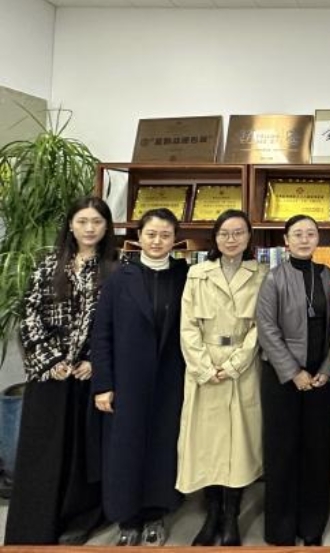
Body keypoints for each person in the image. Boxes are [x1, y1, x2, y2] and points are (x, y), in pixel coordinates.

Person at [4, 196, 119, 545]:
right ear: (70, 224)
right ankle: (36, 524)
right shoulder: (47, 265)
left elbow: (118, 325)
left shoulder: (115, 269)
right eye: (82, 221)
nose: (89, 228)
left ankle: (79, 520)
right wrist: (52, 361)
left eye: (96, 222)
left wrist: (95, 362)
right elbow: (30, 318)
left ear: (106, 227)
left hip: (89, 375)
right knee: (43, 451)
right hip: (50, 375)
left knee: (83, 453)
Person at [90, 208, 189, 546]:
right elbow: (101, 334)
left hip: (170, 380)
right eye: (151, 234)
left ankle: (156, 514)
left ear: (175, 239)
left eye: (165, 235)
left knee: (163, 446)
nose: (157, 241)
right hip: (127, 381)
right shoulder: (120, 278)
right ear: (139, 237)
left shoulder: (185, 275)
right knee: (125, 449)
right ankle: (127, 519)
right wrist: (103, 384)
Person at [177, 209, 268, 546]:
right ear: (215, 237)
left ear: (249, 237)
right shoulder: (197, 274)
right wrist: (204, 367)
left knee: (238, 446)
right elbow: (187, 326)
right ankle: (212, 514)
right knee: (207, 447)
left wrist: (233, 365)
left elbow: (262, 326)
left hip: (242, 368)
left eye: (239, 232)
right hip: (203, 369)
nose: (232, 239)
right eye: (225, 233)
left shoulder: (262, 274)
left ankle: (231, 517)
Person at [256, 214, 330, 546]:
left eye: (311, 234)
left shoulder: (328, 276)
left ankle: (312, 525)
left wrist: (328, 369)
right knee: (282, 450)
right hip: (282, 378)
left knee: (317, 451)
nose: (305, 239)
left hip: (320, 378)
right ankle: (281, 529)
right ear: (286, 241)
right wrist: (293, 372)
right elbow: (266, 329)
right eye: (298, 234)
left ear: (318, 239)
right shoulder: (273, 278)